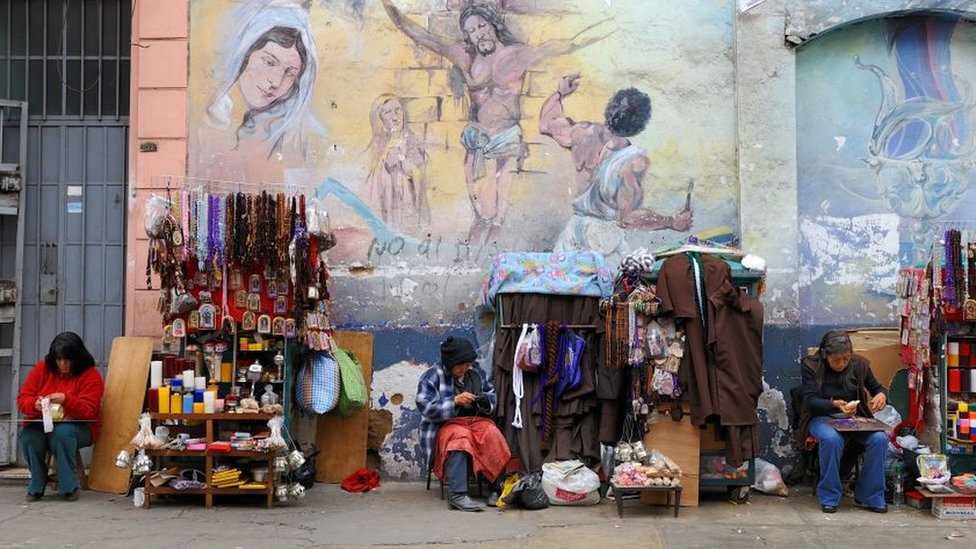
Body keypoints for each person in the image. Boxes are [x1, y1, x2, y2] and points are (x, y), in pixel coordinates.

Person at [381, 1, 610, 251]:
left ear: (493, 24)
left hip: (508, 139)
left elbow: (569, 43)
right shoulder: (464, 56)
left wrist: (610, 26)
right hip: (479, 141)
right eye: (471, 31)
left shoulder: (518, 54)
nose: (478, 33)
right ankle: (471, 258)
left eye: (481, 26)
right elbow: (418, 34)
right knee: (483, 212)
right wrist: (389, 7)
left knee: (499, 218)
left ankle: (487, 262)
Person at [539, 73, 693, 266]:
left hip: (573, 234)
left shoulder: (582, 133)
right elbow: (627, 219)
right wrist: (671, 222)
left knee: (566, 291)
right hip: (603, 243)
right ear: (641, 125)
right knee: (609, 294)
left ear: (609, 109)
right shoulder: (634, 161)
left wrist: (560, 94)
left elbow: (545, 124)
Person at [206, 0, 323, 159]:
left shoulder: (297, 135)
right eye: (269, 62)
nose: (276, 82)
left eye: (290, 73)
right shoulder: (209, 116)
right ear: (246, 54)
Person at [798, 330, 889, 514]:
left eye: (846, 359)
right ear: (825, 356)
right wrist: (833, 404)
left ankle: (870, 495)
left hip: (853, 419)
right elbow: (810, 400)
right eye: (836, 360)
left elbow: (877, 387)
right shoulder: (811, 366)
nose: (842, 364)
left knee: (880, 439)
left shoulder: (859, 364)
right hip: (821, 418)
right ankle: (830, 496)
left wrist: (881, 395)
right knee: (832, 439)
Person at [416, 336, 511, 511]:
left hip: (475, 420)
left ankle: (497, 488)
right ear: (451, 363)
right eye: (462, 365)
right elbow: (425, 407)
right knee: (460, 437)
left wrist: (482, 400)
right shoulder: (431, 376)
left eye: (468, 364)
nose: (466, 368)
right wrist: (454, 401)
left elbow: (491, 397)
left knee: (491, 432)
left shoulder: (475, 372)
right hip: (446, 424)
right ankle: (457, 495)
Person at [16, 332, 104, 502]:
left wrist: (66, 400)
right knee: (28, 437)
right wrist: (34, 404)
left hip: (80, 428)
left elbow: (89, 411)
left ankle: (68, 486)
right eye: (59, 359)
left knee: (62, 433)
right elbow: (22, 399)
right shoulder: (42, 369)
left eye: (67, 360)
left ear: (77, 358)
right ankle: (37, 482)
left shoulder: (90, 375)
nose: (62, 364)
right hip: (43, 425)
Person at [365, 94, 431, 228]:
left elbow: (424, 178)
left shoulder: (413, 144)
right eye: (387, 112)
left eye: (398, 110)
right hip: (385, 212)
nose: (395, 117)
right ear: (379, 118)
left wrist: (409, 168)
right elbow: (366, 183)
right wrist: (384, 166)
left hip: (408, 213)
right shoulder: (374, 149)